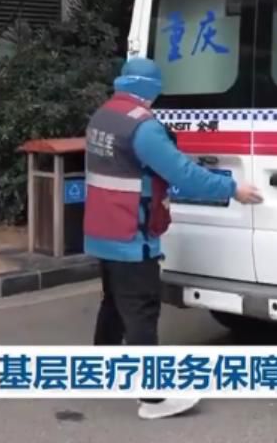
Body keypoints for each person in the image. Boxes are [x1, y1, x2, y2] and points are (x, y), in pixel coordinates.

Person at [84, 57, 263, 420]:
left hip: (103, 229)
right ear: (151, 89)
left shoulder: (103, 116)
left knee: (114, 301)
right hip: (131, 234)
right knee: (141, 311)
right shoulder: (143, 127)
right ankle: (154, 398)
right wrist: (233, 189)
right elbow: (184, 173)